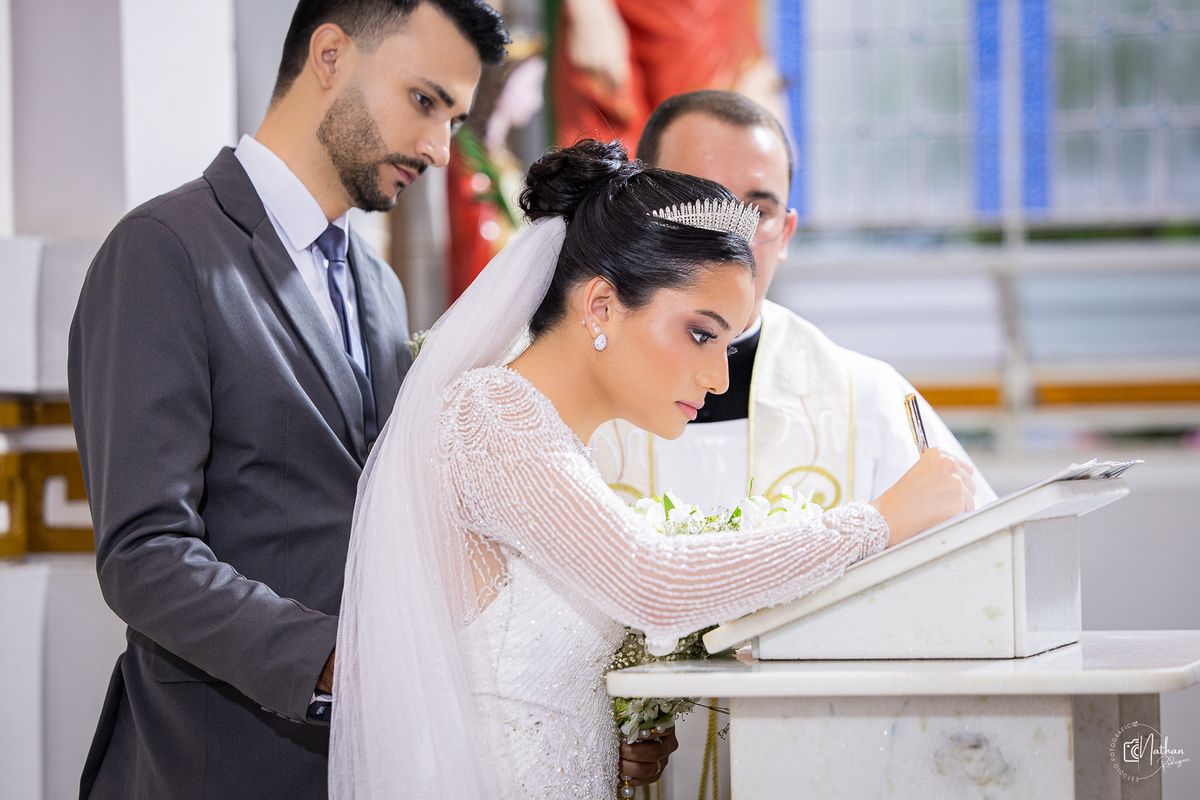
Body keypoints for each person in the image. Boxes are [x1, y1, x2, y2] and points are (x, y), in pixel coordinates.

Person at [330, 139, 978, 798]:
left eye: (729, 345)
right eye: (701, 334)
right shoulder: (491, 416)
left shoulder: (550, 438)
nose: (718, 376)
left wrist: (602, 730)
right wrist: (880, 521)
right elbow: (655, 583)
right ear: (602, 306)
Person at [67, 2, 506, 798]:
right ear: (330, 55)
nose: (440, 149)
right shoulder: (163, 249)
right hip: (211, 763)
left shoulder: (377, 284)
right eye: (424, 101)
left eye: (454, 120)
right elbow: (143, 554)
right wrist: (336, 660)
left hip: (364, 764)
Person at [590, 89, 998, 800]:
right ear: (640, 206)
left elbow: (980, 592)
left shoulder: (868, 400)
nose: (734, 232)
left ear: (787, 230)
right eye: (704, 199)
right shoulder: (565, 391)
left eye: (759, 208)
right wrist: (589, 725)